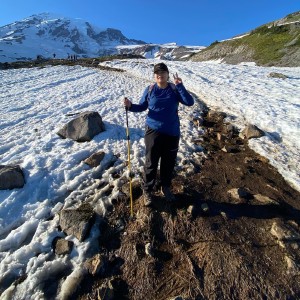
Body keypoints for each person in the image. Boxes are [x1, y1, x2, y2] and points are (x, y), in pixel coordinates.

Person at [124, 62, 194, 206]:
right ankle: (147, 190)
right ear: (154, 76)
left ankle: (165, 187)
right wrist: (130, 106)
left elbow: (189, 102)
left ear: (168, 74)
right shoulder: (150, 89)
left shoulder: (174, 89)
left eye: (162, 72)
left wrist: (180, 86)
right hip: (153, 131)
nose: (159, 75)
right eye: (157, 73)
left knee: (168, 162)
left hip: (172, 132)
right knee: (151, 162)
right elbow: (142, 106)